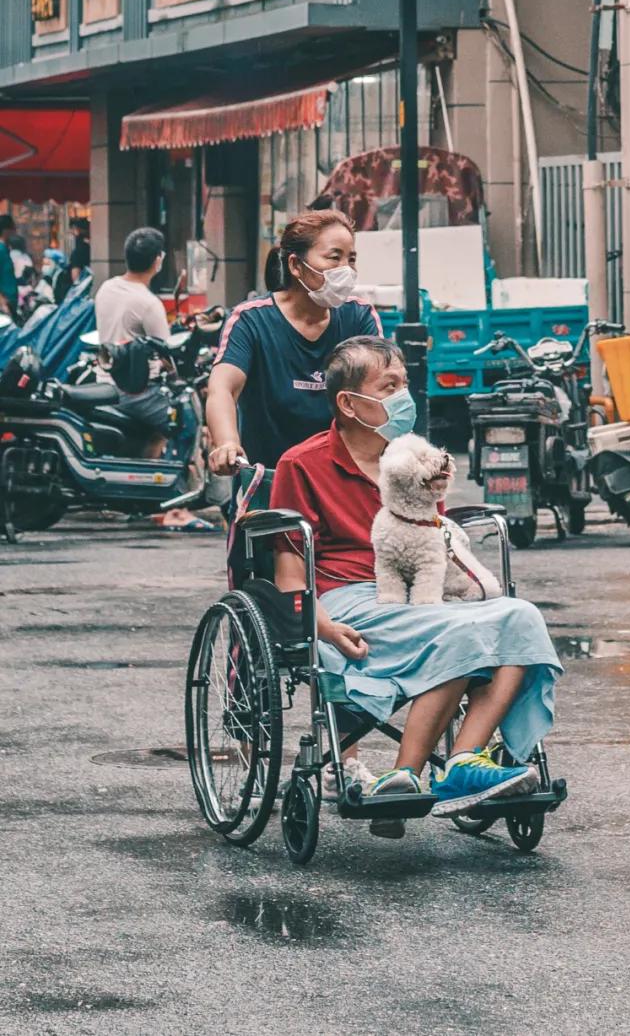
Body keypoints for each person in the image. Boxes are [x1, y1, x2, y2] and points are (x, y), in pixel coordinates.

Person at [270, 334, 561, 836]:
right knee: (453, 629)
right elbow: (289, 577)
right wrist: (324, 628)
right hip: (349, 599)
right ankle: (406, 772)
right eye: (390, 385)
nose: (404, 394)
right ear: (349, 402)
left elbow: (433, 547)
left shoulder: (416, 458)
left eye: (405, 382)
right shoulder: (302, 464)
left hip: (422, 595)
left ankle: (464, 760)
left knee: (520, 617)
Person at [207, 209, 381, 475]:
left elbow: (381, 389)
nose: (345, 269)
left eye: (351, 259)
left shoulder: (359, 317)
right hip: (267, 479)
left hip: (343, 480)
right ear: (295, 265)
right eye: (334, 257)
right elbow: (223, 388)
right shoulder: (251, 320)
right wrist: (227, 443)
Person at [94, 227, 173, 460]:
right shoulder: (148, 303)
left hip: (104, 381)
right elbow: (168, 356)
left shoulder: (106, 288)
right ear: (157, 260)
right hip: (136, 392)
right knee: (187, 419)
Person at [0, 214, 17, 318]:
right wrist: (2, 301)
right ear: (6, 230)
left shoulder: (5, 249)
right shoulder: (1, 250)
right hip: (4, 304)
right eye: (13, 228)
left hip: (10, 302)